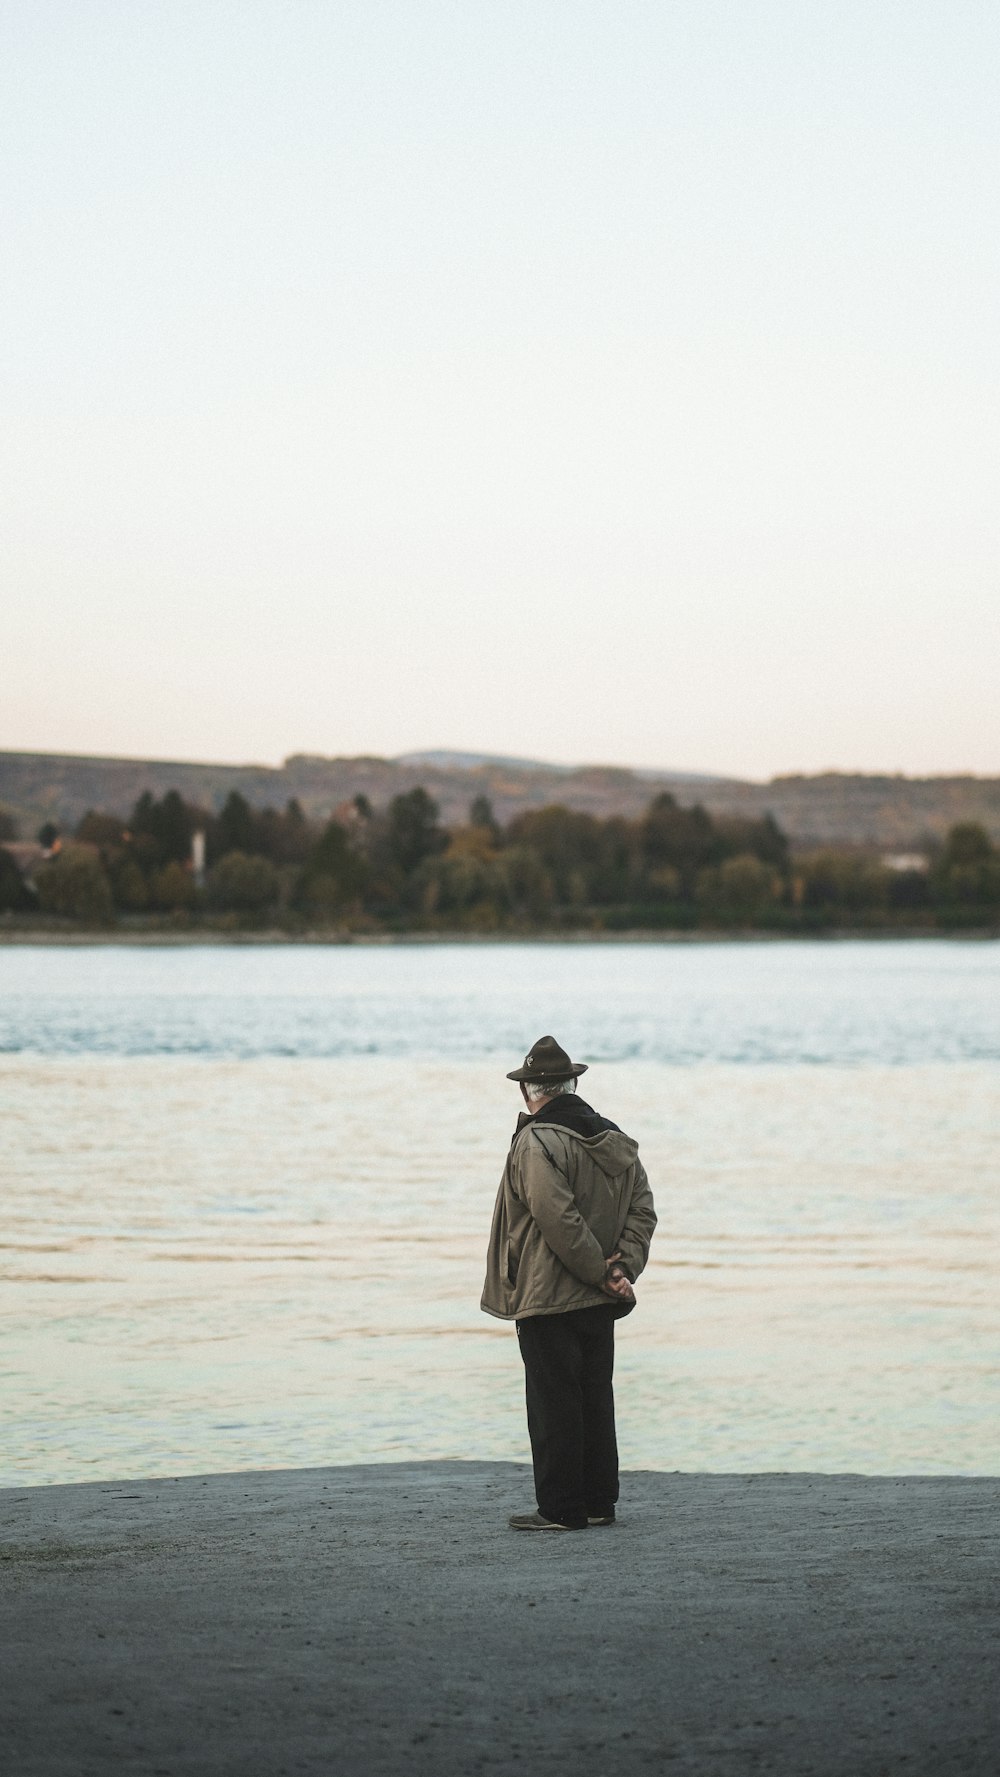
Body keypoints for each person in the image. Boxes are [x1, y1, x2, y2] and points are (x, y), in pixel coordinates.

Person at [481, 1035, 657, 1531]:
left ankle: (560, 1509)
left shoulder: (536, 1141)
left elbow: (557, 1219)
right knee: (594, 1395)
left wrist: (602, 1273)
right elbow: (643, 1208)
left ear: (527, 1092)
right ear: (572, 1084)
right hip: (600, 1296)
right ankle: (600, 1502)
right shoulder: (614, 1136)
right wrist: (623, 1270)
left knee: (553, 1399)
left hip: (549, 1293)